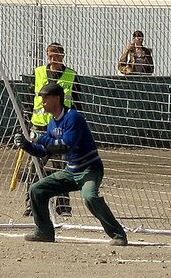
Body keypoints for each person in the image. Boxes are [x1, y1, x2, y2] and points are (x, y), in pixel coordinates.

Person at [14, 81, 128, 246]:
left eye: (45, 98)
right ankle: (44, 232)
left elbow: (66, 145)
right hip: (71, 171)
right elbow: (45, 151)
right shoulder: (52, 123)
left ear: (57, 99)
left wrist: (40, 138)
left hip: (90, 169)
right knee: (36, 190)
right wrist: (27, 145)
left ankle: (118, 235)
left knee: (90, 197)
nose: (42, 102)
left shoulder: (73, 117)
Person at [23, 42, 76, 217]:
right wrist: (25, 124)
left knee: (63, 168)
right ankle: (31, 204)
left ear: (62, 56)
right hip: (40, 128)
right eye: (50, 55)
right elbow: (28, 99)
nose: (52, 59)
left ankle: (63, 206)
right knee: (35, 167)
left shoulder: (71, 76)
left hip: (61, 129)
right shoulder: (38, 73)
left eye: (56, 55)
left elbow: (77, 103)